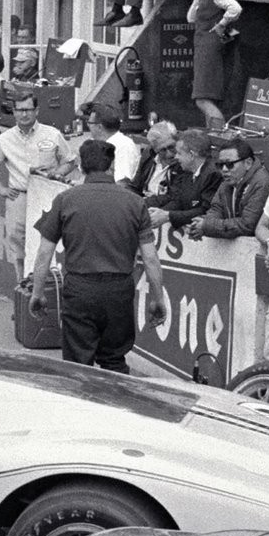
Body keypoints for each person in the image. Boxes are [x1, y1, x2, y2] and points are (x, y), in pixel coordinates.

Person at [29, 138, 171, 374]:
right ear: (112, 165)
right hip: (119, 291)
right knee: (114, 360)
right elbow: (150, 258)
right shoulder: (135, 203)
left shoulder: (65, 200)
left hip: (80, 290)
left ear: (81, 166)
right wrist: (157, 298)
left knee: (77, 366)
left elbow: (44, 253)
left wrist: (37, 293)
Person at [0, 91, 69, 280]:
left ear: (36, 110)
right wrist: (0, 188)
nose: (24, 114)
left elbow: (69, 161)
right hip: (19, 197)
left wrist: (56, 174)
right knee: (18, 245)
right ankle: (22, 285)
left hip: (47, 198)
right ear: (13, 112)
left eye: (28, 109)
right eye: (20, 110)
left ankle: (49, 287)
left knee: (48, 244)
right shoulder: (5, 139)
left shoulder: (52, 134)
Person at [187, 0, 243, 129]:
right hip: (206, 47)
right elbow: (191, 18)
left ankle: (218, 134)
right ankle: (213, 133)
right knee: (207, 98)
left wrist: (221, 24)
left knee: (202, 99)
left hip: (209, 48)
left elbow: (235, 8)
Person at [188, 135, 269, 240]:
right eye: (220, 165)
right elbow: (216, 209)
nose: (224, 169)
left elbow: (247, 225)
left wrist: (207, 226)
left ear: (248, 163)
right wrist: (203, 226)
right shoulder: (228, 182)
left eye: (229, 164)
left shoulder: (262, 183)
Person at [150, 131, 222, 229]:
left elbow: (204, 210)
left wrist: (168, 216)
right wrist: (159, 213)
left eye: (179, 153)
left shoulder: (214, 175)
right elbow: (179, 201)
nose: (176, 157)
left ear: (191, 155)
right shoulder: (187, 172)